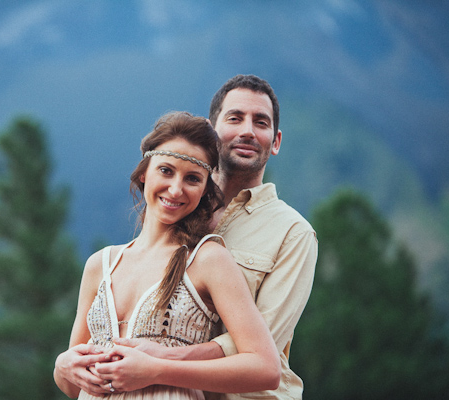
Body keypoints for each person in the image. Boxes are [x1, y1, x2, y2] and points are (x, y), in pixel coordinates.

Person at [60, 74, 318, 400]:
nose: (248, 131)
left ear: (276, 140)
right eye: (235, 118)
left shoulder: (291, 234)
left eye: (261, 122)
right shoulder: (114, 257)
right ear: (214, 129)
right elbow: (77, 374)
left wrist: (158, 361)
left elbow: (262, 348)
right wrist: (63, 366)